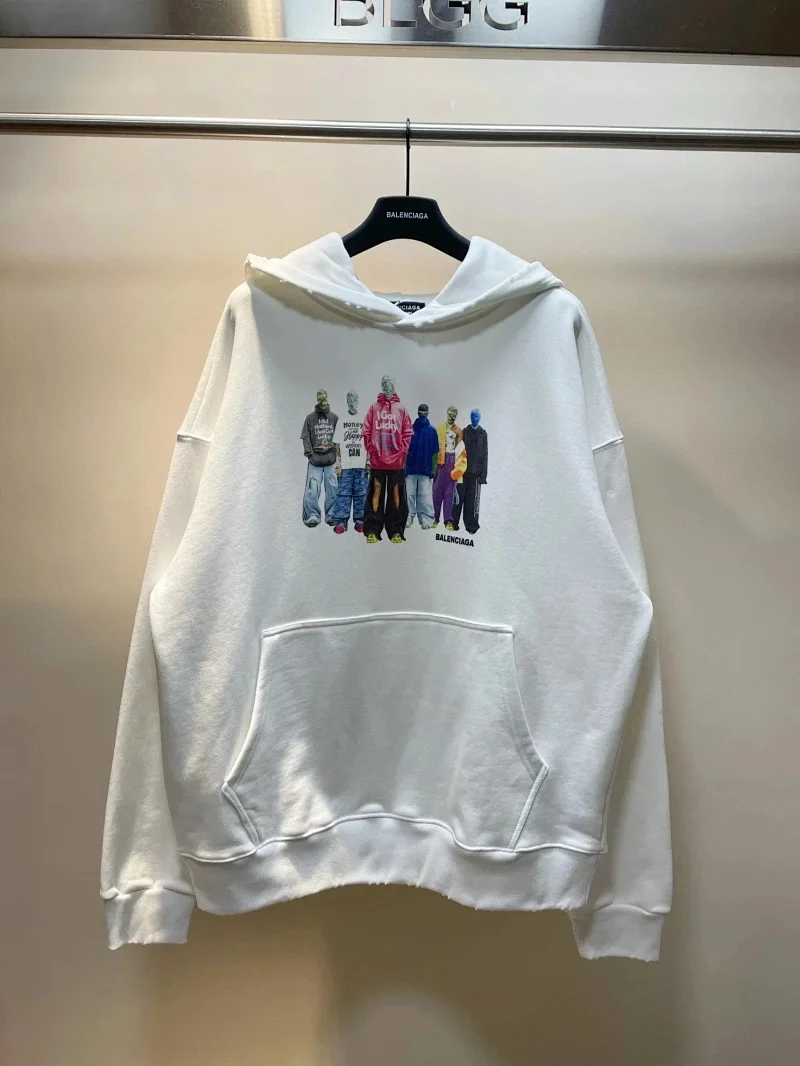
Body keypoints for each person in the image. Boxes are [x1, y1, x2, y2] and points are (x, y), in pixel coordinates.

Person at [361, 374, 412, 544]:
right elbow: (366, 431)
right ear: (382, 386)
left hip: (397, 462)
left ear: (394, 385)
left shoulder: (402, 408)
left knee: (396, 496)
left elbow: (407, 433)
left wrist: (402, 451)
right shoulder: (373, 408)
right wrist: (372, 450)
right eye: (384, 383)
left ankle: (396, 531)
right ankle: (372, 531)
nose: (387, 386)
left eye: (390, 383)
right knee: (375, 493)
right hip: (377, 461)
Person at [329, 391, 369, 534]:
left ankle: (360, 520)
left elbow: (369, 442)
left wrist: (368, 462)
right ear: (347, 402)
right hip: (346, 465)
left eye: (354, 400)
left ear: (358, 401)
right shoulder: (342, 421)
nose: (352, 402)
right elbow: (337, 445)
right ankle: (341, 522)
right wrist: (338, 464)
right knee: (343, 494)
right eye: (350, 400)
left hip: (360, 464)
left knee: (361, 493)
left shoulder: (365, 420)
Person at [300, 389, 338, 527]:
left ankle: (332, 514)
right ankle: (312, 515)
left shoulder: (334, 418)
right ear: (317, 399)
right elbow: (305, 436)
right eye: (319, 396)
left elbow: (339, 438)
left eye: (323, 396)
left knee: (333, 487)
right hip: (314, 459)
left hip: (331, 459)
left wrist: (338, 456)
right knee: (312, 487)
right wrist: (309, 453)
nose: (322, 399)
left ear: (327, 398)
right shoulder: (310, 418)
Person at [405, 403, 440, 531]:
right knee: (419, 495)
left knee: (414, 495)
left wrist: (434, 468)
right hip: (419, 468)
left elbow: (435, 452)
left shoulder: (416, 430)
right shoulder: (415, 430)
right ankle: (420, 518)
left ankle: (413, 518)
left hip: (416, 468)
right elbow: (435, 452)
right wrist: (433, 468)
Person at [433, 405, 462, 528]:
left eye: (454, 414)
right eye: (450, 414)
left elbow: (460, 450)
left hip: (451, 460)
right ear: (447, 414)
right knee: (436, 490)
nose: (451, 416)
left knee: (449, 492)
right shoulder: (439, 429)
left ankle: (448, 520)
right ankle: (434, 518)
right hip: (440, 460)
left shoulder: (458, 431)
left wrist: (458, 468)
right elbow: (434, 448)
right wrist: (433, 466)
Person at [461, 408, 488, 534]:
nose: (474, 419)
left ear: (480, 418)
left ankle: (471, 525)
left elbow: (485, 454)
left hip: (476, 473)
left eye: (476, 417)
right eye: (472, 416)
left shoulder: (483, 434)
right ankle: (458, 523)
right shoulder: (465, 432)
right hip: (463, 471)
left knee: (473, 501)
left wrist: (483, 475)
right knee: (461, 498)